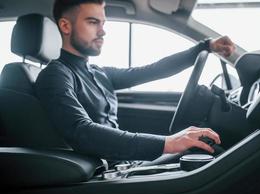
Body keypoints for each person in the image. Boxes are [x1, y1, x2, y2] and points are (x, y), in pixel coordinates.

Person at [35, 0, 235, 163]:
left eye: (103, 23)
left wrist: (206, 46)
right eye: (93, 22)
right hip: (102, 174)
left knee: (208, 151)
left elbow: (154, 70)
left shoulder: (97, 72)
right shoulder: (55, 75)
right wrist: (168, 142)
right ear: (65, 26)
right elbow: (81, 131)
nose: (103, 31)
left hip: (122, 164)